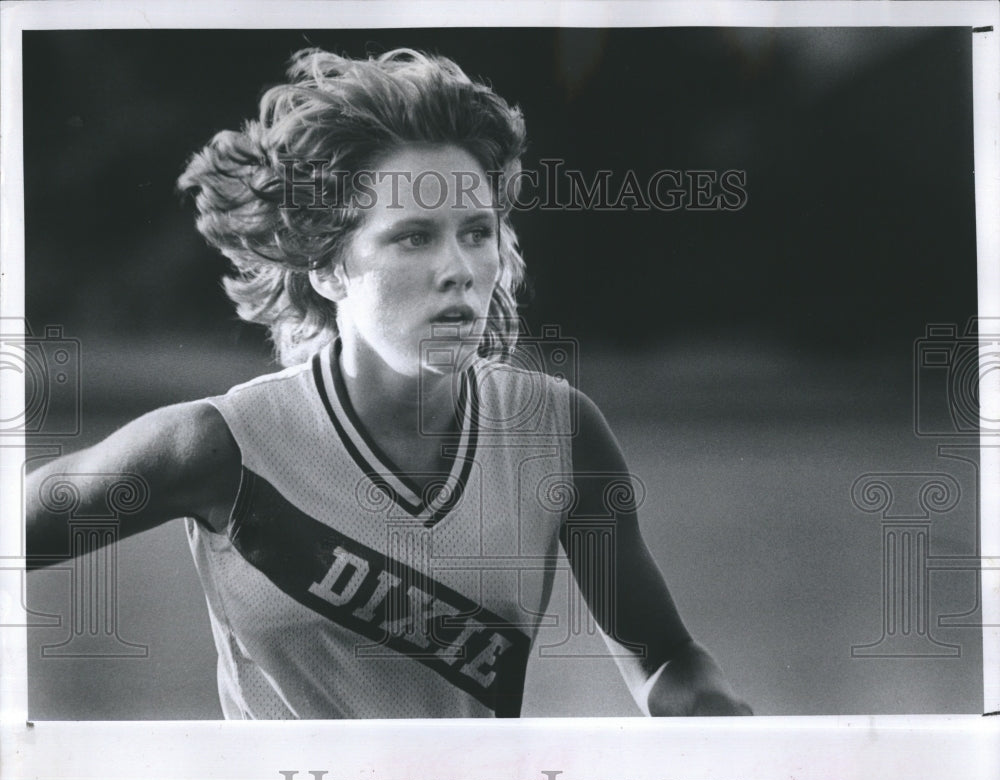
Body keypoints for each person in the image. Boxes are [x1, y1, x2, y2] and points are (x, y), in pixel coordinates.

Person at [26, 48, 751, 719]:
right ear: (328, 266)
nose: (459, 267)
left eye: (477, 230)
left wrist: (715, 718)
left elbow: (663, 657)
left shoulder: (557, 430)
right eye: (413, 236)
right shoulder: (214, 446)